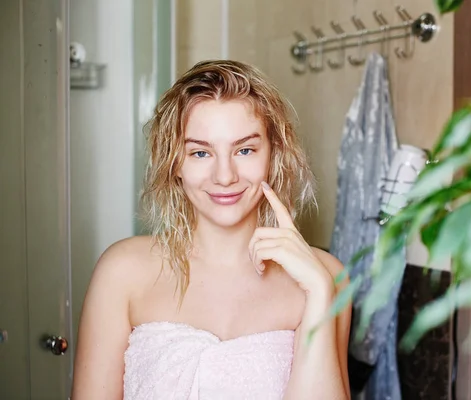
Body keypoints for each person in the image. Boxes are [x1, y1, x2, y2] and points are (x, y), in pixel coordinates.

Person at [71, 60, 351, 400]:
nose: (224, 176)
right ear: (175, 162)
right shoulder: (121, 272)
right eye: (201, 152)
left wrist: (319, 293)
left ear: (272, 154)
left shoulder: (328, 277)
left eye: (245, 149)